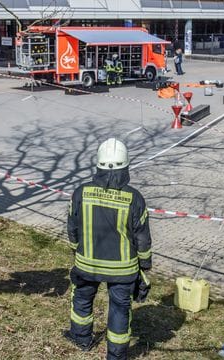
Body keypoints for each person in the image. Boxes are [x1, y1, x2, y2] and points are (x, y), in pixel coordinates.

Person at [65, 138, 153, 360]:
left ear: (98, 165)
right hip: (123, 270)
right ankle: (116, 355)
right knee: (120, 310)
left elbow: (72, 227)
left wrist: (77, 250)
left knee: (82, 299)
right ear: (126, 165)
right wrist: (145, 264)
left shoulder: (80, 192)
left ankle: (81, 337)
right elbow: (142, 238)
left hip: (87, 264)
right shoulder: (135, 198)